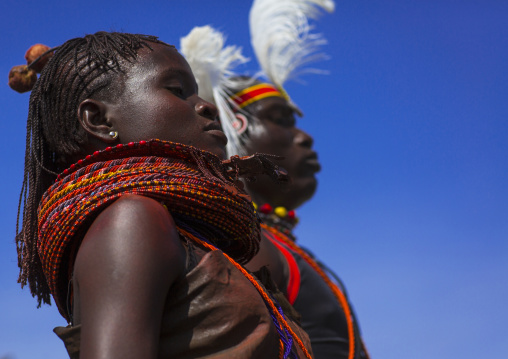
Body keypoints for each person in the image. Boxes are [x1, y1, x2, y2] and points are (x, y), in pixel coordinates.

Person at [14, 31, 313, 359]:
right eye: (177, 90)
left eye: (196, 92)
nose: (207, 106)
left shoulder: (180, 233)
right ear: (98, 120)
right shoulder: (132, 219)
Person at [181, 0, 370, 355]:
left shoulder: (267, 243)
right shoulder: (244, 245)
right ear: (230, 133)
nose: (304, 137)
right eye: (281, 118)